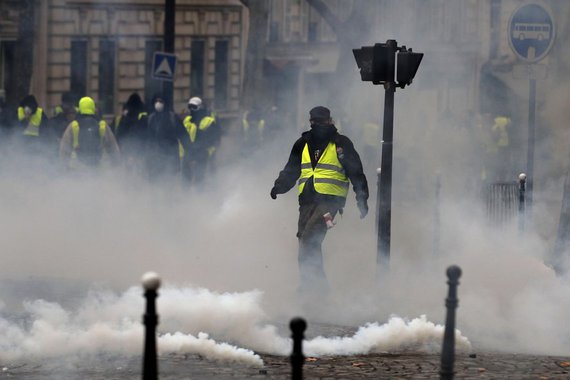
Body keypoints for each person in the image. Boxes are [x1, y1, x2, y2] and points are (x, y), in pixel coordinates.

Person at [270, 106, 369, 296]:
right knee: (305, 243)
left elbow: (356, 172)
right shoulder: (302, 143)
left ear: (330, 121)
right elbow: (292, 169)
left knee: (308, 241)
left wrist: (361, 199)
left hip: (330, 201)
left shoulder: (341, 144)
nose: (318, 124)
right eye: (315, 121)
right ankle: (316, 287)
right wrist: (279, 186)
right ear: (311, 122)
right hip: (307, 200)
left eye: (321, 121)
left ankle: (314, 289)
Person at [59, 96, 120, 170]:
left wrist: (63, 166)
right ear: (93, 108)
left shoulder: (73, 125)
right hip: (99, 166)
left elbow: (64, 148)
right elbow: (113, 147)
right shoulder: (102, 125)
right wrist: (116, 165)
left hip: (77, 167)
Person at [146, 94, 191, 181]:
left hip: (170, 158)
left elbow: (183, 136)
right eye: (156, 101)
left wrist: (190, 153)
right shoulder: (151, 118)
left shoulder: (173, 118)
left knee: (169, 183)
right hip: (155, 159)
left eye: (161, 101)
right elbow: (148, 139)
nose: (158, 103)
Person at [186, 97, 220, 183]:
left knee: (201, 177)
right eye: (190, 107)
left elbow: (213, 138)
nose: (191, 110)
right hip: (189, 153)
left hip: (203, 153)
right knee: (187, 179)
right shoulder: (187, 121)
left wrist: (201, 148)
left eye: (194, 107)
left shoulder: (208, 120)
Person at [114, 93, 148, 172]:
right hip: (140, 151)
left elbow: (119, 133)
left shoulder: (124, 118)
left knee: (129, 171)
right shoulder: (144, 116)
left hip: (127, 150)